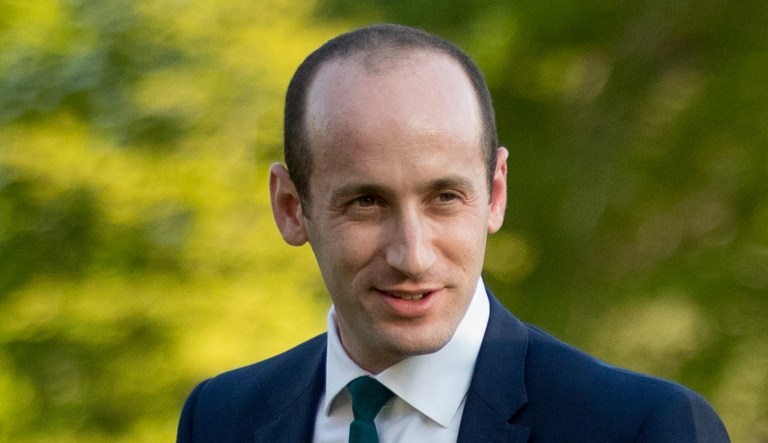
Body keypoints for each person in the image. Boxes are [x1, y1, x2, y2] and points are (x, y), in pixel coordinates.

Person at [176, 24, 730, 442]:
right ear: (292, 208)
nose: (412, 255)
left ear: (495, 194)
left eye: (444, 197)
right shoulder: (221, 418)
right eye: (367, 202)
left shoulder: (642, 429)